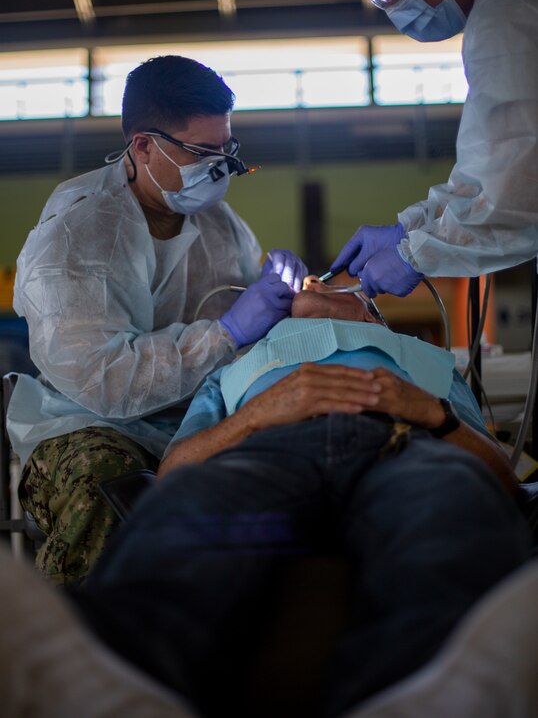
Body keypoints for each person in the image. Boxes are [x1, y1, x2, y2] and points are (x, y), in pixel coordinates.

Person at [55, 278, 531, 718]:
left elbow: (501, 480)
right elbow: (174, 472)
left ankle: (423, 691)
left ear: (372, 316)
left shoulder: (424, 360)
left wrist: (433, 413)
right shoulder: (237, 367)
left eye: (336, 281)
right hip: (264, 455)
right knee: (193, 513)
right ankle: (122, 679)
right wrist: (256, 416)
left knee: (447, 510)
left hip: (405, 447)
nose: (316, 280)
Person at [7, 54, 307, 586]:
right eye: (201, 152)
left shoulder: (218, 222)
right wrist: (228, 332)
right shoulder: (77, 236)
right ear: (143, 145)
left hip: (199, 415)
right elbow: (105, 382)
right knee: (110, 488)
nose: (219, 168)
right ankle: (83, 654)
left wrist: (288, 303)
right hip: (89, 423)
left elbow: (244, 318)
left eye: (226, 150)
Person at [330, 0, 538, 298]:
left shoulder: (506, 23)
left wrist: (415, 255)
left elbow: (517, 194)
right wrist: (411, 227)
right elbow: (488, 176)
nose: (392, 11)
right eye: (380, 1)